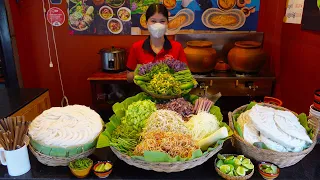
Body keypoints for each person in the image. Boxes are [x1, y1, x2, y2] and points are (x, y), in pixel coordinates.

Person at [126, 3, 187, 81]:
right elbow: (129, 77)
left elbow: (185, 74)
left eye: (162, 21)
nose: (158, 25)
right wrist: (143, 72)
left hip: (170, 92)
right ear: (146, 23)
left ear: (167, 23)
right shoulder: (136, 47)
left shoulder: (177, 47)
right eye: (153, 21)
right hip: (144, 92)